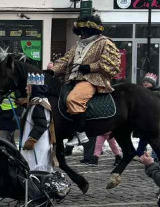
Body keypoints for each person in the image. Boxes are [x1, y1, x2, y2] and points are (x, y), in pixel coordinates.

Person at [48, 12, 121, 145]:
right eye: (80, 31)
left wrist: (90, 67)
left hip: (92, 80)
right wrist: (52, 71)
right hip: (71, 80)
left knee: (73, 99)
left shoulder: (105, 43)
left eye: (83, 31)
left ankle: (81, 133)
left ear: (91, 30)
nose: (81, 34)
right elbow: (65, 61)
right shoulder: (77, 46)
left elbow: (112, 63)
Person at [19, 74, 53, 173]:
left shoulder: (38, 105)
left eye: (28, 86)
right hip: (38, 145)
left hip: (37, 147)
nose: (26, 88)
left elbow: (41, 124)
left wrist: (32, 140)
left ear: (34, 89)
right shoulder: (40, 102)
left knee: (35, 173)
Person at [134, 73, 159, 157]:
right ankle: (140, 153)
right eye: (144, 81)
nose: (145, 83)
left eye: (148, 82)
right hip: (143, 119)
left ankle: (155, 155)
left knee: (152, 139)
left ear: (153, 83)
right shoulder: (141, 92)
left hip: (152, 119)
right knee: (143, 138)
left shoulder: (155, 93)